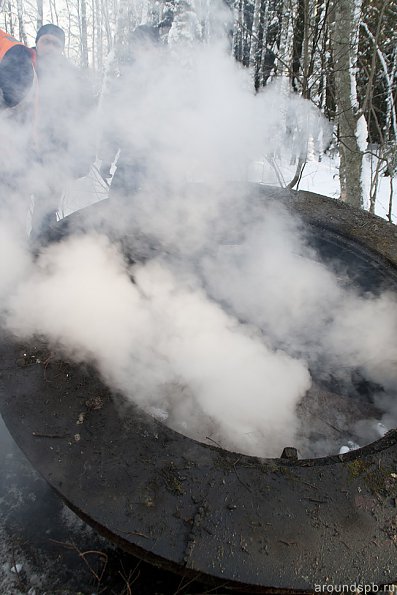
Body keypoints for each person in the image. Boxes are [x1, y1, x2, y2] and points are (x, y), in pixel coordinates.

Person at [30, 24, 95, 242]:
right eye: (45, 41)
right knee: (10, 208)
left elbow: (84, 118)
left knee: (45, 213)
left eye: (55, 44)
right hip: (17, 152)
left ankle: (38, 255)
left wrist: (83, 155)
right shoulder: (22, 67)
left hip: (54, 157)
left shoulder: (73, 77)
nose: (50, 47)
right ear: (37, 43)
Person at [98, 25, 161, 198]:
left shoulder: (169, 78)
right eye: (140, 47)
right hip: (130, 160)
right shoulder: (124, 81)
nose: (144, 52)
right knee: (118, 208)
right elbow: (114, 122)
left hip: (163, 163)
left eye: (148, 47)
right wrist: (107, 158)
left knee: (165, 214)